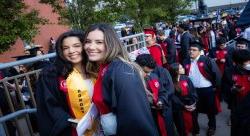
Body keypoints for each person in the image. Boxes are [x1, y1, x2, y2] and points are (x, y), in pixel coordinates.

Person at [83, 23, 159, 136]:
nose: (91, 47)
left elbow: (135, 121)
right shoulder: (105, 67)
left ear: (111, 44)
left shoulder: (121, 70)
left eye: (99, 42)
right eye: (88, 41)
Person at [36, 30, 99, 136]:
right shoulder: (52, 75)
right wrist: (70, 122)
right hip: (73, 130)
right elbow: (50, 106)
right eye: (66, 48)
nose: (71, 51)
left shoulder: (95, 69)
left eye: (76, 46)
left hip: (100, 126)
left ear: (85, 47)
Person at [183, 42, 221, 136]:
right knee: (194, 110)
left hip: (207, 89)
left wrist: (216, 87)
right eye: (190, 50)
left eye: (194, 50)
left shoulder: (207, 60)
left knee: (210, 110)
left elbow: (216, 75)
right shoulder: (186, 61)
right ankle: (195, 128)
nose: (191, 52)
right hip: (193, 91)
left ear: (200, 52)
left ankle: (212, 127)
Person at [135, 54, 168, 136]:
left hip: (157, 113)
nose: (148, 75)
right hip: (144, 116)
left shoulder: (154, 76)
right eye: (146, 72)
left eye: (150, 72)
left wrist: (160, 101)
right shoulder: (133, 81)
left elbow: (162, 92)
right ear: (138, 67)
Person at [222, 50, 250, 136]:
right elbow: (224, 88)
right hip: (237, 107)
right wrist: (232, 89)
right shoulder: (229, 72)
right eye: (247, 63)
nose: (249, 65)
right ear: (237, 63)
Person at [169, 63, 198, 136]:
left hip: (190, 105)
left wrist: (193, 103)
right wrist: (183, 106)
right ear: (176, 71)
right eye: (181, 68)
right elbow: (173, 97)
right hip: (179, 108)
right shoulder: (171, 82)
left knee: (193, 122)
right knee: (181, 126)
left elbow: (193, 91)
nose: (183, 68)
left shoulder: (186, 78)